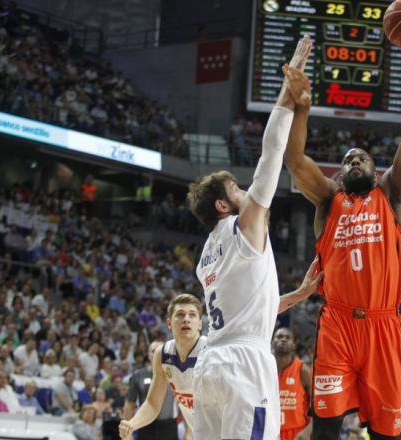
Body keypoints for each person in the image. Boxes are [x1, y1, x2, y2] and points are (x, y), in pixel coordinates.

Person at [283, 27, 401, 439]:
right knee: (326, 431)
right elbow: (295, 160)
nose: (354, 160)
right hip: (337, 326)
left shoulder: (393, 194)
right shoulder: (327, 200)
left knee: (387, 434)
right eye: (348, 158)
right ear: (338, 172)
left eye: (362, 158)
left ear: (375, 169)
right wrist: (301, 108)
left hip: (384, 327)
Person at [188, 36, 320, 439]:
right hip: (244, 365)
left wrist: (297, 295)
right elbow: (270, 155)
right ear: (223, 207)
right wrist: (288, 93)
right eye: (235, 189)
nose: (245, 191)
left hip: (210, 365)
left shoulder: (207, 255)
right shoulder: (244, 226)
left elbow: (248, 309)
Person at [119, 294, 205, 440]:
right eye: (180, 314)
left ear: (200, 324)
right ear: (169, 323)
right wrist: (132, 424)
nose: (186, 319)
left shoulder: (211, 352)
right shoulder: (162, 354)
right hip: (199, 432)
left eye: (192, 315)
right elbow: (152, 404)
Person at [122, 341, 178, 440]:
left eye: (161, 351)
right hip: (145, 427)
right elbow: (130, 404)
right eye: (153, 351)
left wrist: (188, 431)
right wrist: (126, 431)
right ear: (148, 355)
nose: (157, 353)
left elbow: (184, 403)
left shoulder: (176, 374)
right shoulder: (138, 375)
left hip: (169, 426)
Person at [273, 327, 312, 440]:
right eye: (279, 337)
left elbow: (316, 405)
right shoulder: (265, 368)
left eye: (288, 337)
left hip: (297, 433)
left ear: (294, 345)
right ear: (272, 342)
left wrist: (308, 431)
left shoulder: (303, 370)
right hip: (269, 430)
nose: (283, 339)